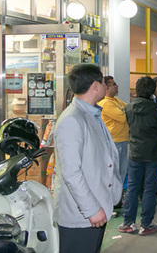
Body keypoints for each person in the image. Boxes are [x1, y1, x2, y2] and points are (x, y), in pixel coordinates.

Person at [53, 64, 121, 253]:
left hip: (96, 209)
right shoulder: (72, 120)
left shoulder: (91, 114)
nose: (105, 86)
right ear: (95, 86)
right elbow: (71, 173)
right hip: (82, 215)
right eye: (102, 82)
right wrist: (91, 209)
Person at [119, 76, 157, 235]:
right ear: (152, 90)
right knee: (149, 188)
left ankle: (128, 222)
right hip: (153, 153)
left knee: (132, 187)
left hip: (135, 152)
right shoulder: (156, 109)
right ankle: (146, 224)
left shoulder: (129, 108)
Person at [99, 76, 129, 189]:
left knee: (121, 171)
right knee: (115, 173)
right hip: (114, 142)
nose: (117, 86)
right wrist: (124, 112)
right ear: (107, 88)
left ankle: (118, 196)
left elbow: (129, 108)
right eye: (114, 84)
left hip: (122, 141)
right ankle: (113, 199)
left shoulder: (115, 101)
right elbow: (123, 117)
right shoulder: (106, 103)